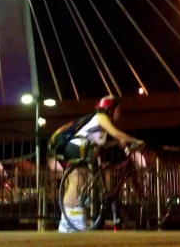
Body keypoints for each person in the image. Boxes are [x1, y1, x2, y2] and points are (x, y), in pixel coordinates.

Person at [57, 95, 142, 232]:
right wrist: (138, 141)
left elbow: (101, 143)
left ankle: (68, 220)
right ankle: (69, 219)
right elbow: (117, 135)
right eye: (118, 109)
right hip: (76, 147)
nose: (120, 113)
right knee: (77, 180)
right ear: (111, 109)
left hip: (83, 149)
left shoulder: (101, 122)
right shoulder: (101, 118)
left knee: (81, 180)